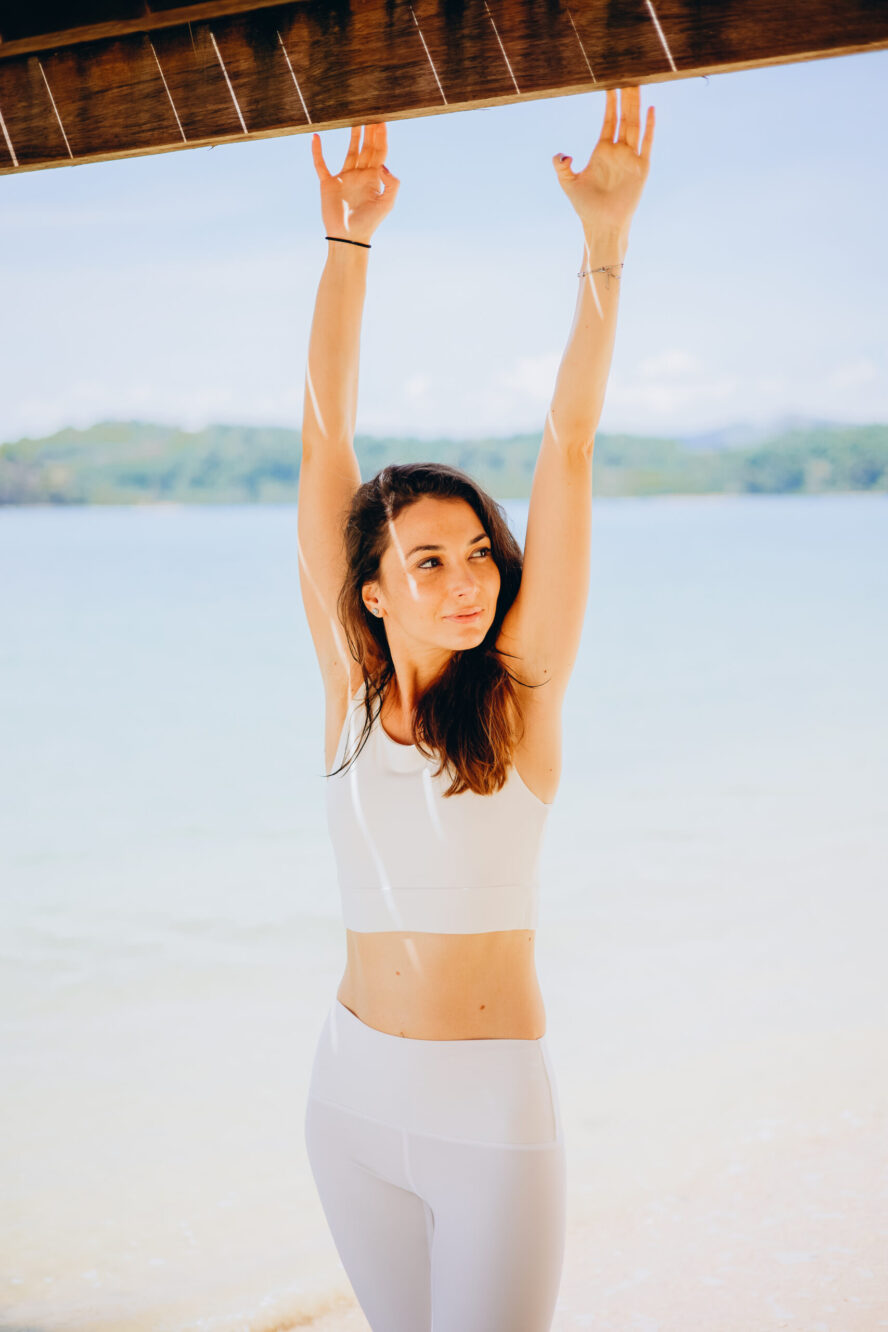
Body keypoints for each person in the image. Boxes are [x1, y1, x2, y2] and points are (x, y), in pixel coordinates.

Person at [298, 87, 655, 1332]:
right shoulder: (348, 697)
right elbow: (323, 436)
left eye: (479, 554)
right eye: (430, 561)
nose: (467, 580)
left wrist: (602, 244)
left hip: (489, 1113)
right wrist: (349, 245)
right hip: (347, 1097)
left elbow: (571, 441)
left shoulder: (519, 701)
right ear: (372, 589)